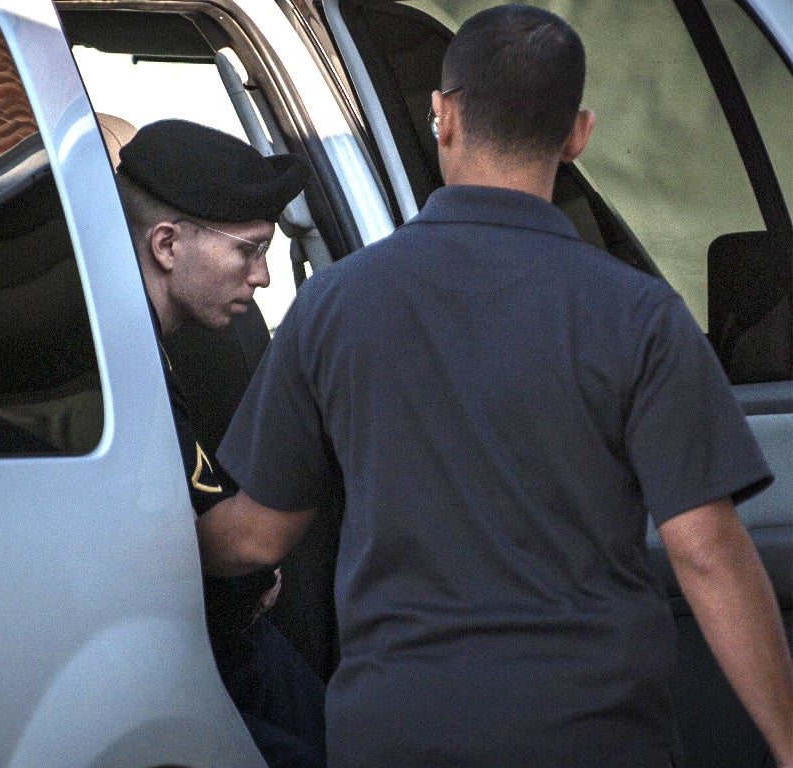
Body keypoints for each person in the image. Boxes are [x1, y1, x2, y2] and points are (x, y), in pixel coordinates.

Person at [194, 5, 793, 768]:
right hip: (591, 733)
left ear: (443, 117)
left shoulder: (334, 306)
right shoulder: (639, 315)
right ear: (579, 134)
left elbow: (257, 536)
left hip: (395, 735)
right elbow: (706, 549)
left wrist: (135, 546)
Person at [107, 117, 326, 768]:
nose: (261, 276)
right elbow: (236, 540)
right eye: (248, 250)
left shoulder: (151, 347)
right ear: (168, 244)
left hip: (222, 632)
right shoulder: (120, 359)